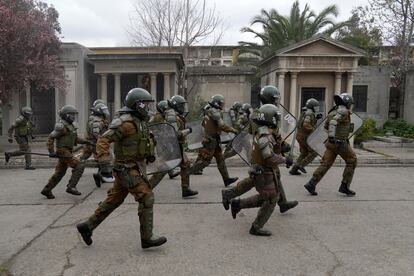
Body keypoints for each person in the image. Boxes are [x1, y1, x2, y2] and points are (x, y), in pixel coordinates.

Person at [76, 88, 167, 249]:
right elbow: (103, 140)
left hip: (134, 166)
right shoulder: (125, 123)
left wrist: (150, 152)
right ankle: (147, 238)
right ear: (137, 105)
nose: (148, 107)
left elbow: (144, 139)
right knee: (146, 197)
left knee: (114, 200)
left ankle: (87, 226)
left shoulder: (139, 121)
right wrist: (104, 162)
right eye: (145, 104)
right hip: (126, 168)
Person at [222, 86, 298, 214]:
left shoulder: (269, 112)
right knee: (260, 179)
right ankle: (229, 194)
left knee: (274, 177)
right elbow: (265, 135)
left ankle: (283, 203)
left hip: (268, 151)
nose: (277, 101)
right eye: (275, 98)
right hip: (263, 153)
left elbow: (274, 134)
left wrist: (282, 144)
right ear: (268, 98)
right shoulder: (260, 115)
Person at [228, 104, 292, 236]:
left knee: (269, 197)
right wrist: (285, 160)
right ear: (271, 118)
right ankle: (255, 227)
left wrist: (283, 148)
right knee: (271, 199)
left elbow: (273, 148)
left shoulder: (265, 131)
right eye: (275, 117)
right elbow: (268, 157)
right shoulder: (265, 136)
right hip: (264, 171)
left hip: (265, 170)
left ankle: (237, 204)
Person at [304, 93, 357, 196]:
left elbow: (325, 127)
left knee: (326, 163)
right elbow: (333, 122)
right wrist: (334, 137)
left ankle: (311, 183)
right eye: (350, 104)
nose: (351, 106)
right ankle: (345, 186)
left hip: (331, 143)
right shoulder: (343, 111)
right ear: (346, 103)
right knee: (352, 160)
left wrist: (332, 137)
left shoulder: (333, 111)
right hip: (339, 143)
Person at [149, 96, 198, 197]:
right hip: (171, 146)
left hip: (176, 145)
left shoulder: (175, 115)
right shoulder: (172, 116)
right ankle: (146, 189)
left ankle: (185, 189)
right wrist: (188, 130)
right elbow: (175, 134)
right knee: (164, 168)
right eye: (181, 106)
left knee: (185, 164)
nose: (183, 108)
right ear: (176, 105)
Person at [186, 94, 239, 187]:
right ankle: (187, 172)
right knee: (204, 161)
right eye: (221, 103)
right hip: (210, 141)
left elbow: (203, 124)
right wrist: (233, 130)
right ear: (217, 103)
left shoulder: (208, 110)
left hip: (214, 140)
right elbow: (222, 126)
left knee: (221, 160)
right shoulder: (214, 112)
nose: (222, 105)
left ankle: (226, 179)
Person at [41, 105, 91, 199]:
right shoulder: (61, 126)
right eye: (71, 115)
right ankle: (71, 187)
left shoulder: (70, 126)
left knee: (60, 172)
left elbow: (75, 139)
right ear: (66, 115)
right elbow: (51, 137)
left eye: (74, 115)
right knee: (79, 165)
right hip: (63, 151)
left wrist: (86, 141)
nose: (73, 117)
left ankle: (47, 190)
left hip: (67, 151)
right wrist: (51, 151)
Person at [79, 102, 111, 187]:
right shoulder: (96, 120)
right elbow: (96, 133)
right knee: (104, 159)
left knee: (85, 158)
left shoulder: (98, 118)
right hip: (95, 143)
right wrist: (103, 141)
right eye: (104, 111)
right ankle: (101, 175)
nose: (105, 112)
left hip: (92, 143)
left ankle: (99, 175)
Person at [289, 98, 322, 175]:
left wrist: (316, 119)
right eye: (315, 107)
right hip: (305, 137)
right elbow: (306, 125)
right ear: (311, 107)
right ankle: (301, 165)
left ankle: (294, 170)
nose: (317, 108)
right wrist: (315, 130)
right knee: (314, 152)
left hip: (300, 136)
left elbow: (307, 122)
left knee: (304, 153)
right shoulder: (309, 114)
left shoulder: (306, 112)